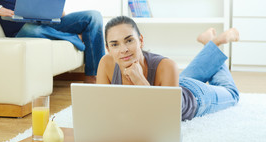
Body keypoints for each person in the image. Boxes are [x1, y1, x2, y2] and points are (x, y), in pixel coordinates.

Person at [97, 16, 240, 121]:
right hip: (174, 84)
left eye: (129, 40)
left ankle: (214, 43)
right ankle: (210, 43)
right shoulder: (106, 64)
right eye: (115, 44)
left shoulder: (167, 66)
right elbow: (103, 110)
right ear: (108, 48)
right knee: (180, 81)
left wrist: (139, 79)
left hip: (194, 96)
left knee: (233, 94)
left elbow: (164, 119)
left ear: (140, 40)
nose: (123, 50)